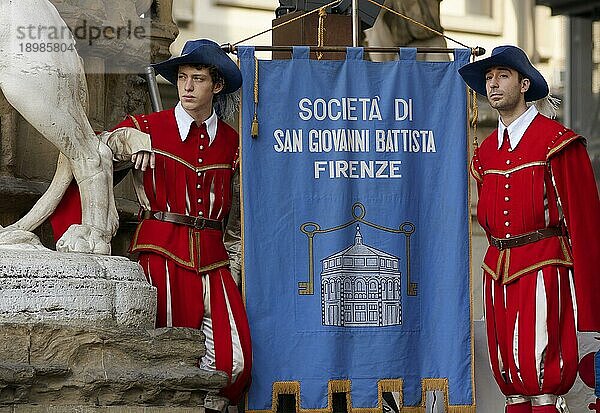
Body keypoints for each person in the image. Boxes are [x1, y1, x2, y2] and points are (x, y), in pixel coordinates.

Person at [459, 45, 600, 413]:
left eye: (502, 76)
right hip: (497, 269)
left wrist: (593, 301)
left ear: (524, 84)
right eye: (488, 77)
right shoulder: (486, 151)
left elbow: (586, 223)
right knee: (509, 373)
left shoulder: (557, 142)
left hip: (544, 265)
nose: (492, 84)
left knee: (542, 373)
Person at [116, 39, 251, 411]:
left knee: (234, 363)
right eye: (182, 78)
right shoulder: (146, 127)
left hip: (214, 256)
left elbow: (241, 213)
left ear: (217, 86)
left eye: (198, 79)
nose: (187, 87)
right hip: (160, 249)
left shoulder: (233, 143)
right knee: (169, 358)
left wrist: (237, 259)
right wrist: (125, 139)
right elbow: (94, 156)